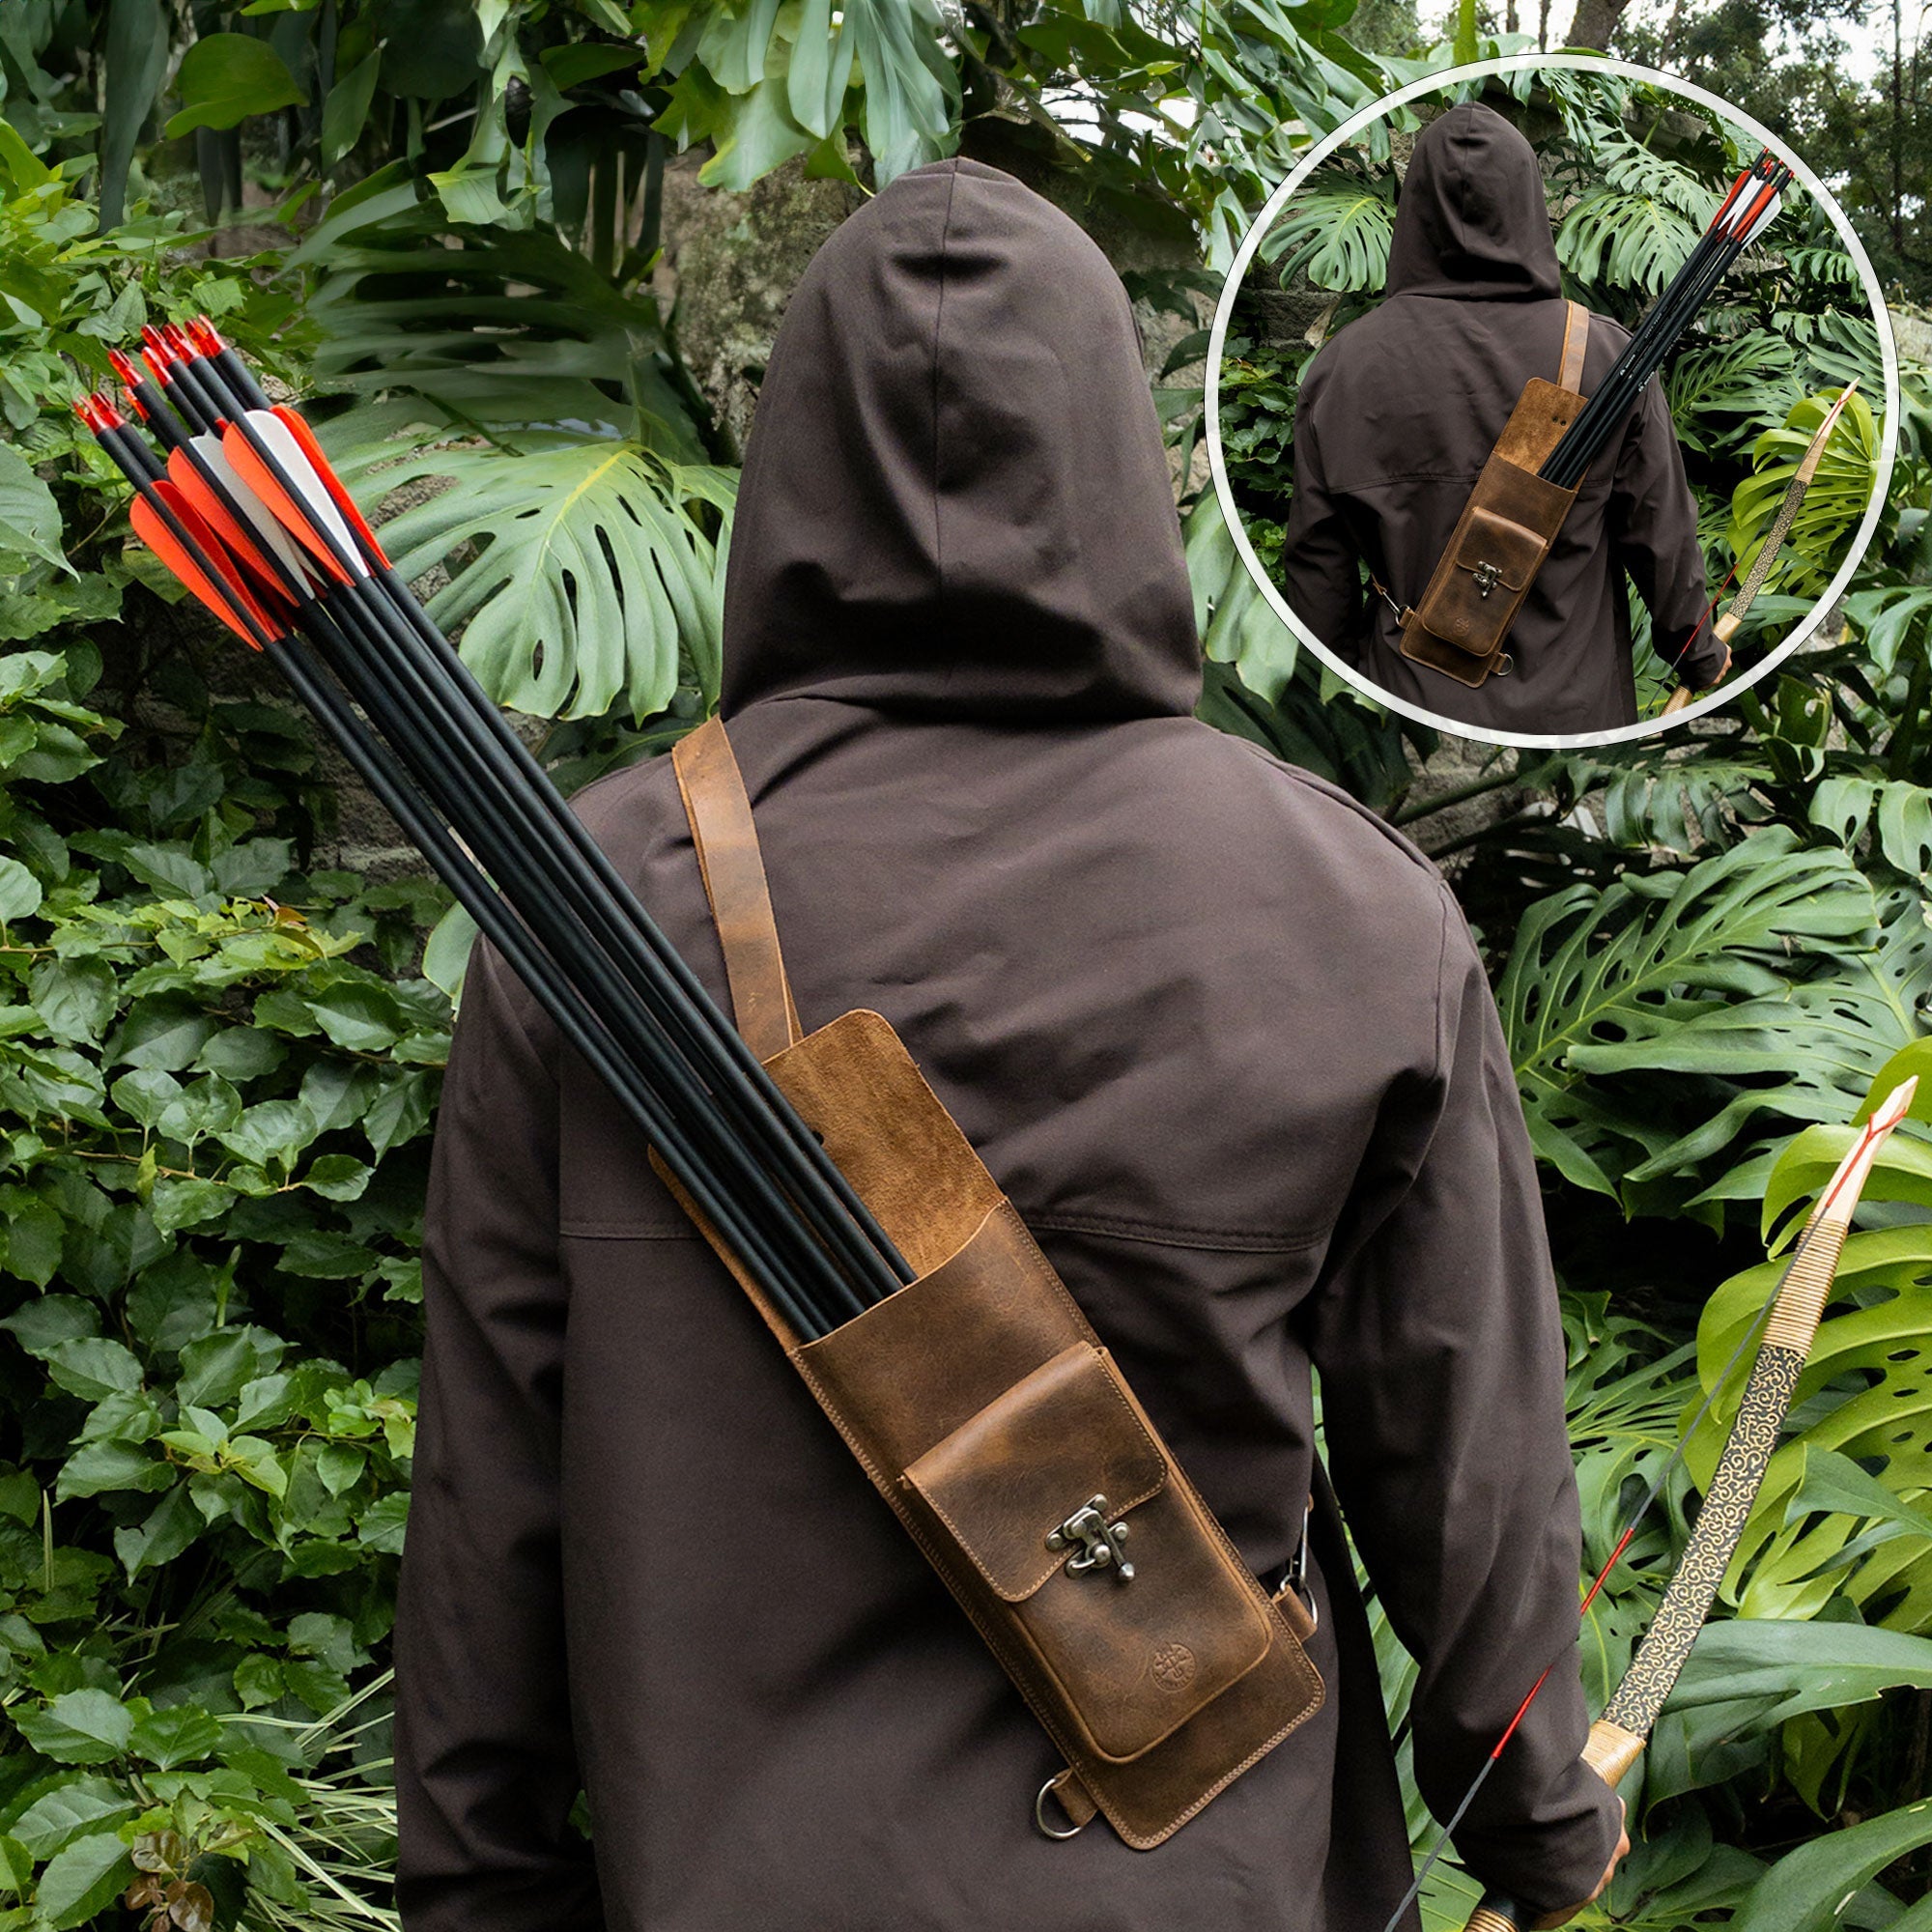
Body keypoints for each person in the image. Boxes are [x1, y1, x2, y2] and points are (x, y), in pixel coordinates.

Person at [391, 156, 1628, 1930]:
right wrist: (1543, 1842)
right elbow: (1475, 1481)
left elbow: (489, 1491)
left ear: (791, 460)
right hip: (1213, 1880)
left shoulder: (600, 899)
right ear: (1119, 467)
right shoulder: (1356, 917)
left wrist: (479, 1895)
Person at [1281, 101, 1727, 735]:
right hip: (1577, 723)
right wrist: (1700, 656)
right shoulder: (1606, 355)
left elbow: (1317, 576)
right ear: (1527, 205)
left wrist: (1351, 708)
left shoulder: (1341, 368)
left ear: (1416, 213)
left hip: (1405, 714)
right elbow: (1663, 544)